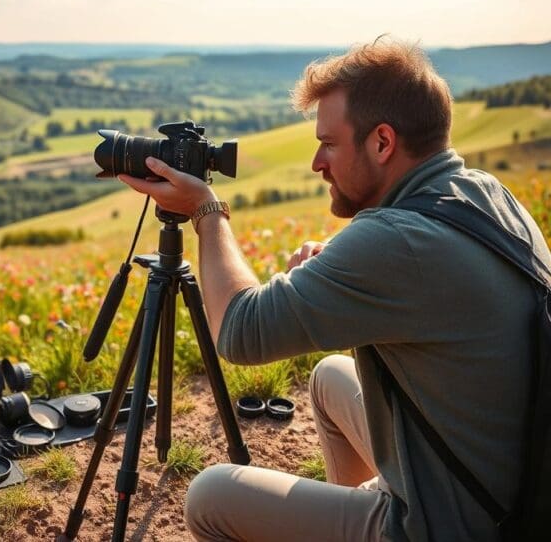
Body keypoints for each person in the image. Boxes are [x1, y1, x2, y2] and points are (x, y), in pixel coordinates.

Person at [117, 37, 551, 542]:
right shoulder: (487, 194)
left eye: (329, 143)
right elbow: (426, 290)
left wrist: (207, 212)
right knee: (329, 379)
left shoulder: (396, 243)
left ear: (382, 142)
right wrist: (346, 275)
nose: (317, 162)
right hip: (511, 487)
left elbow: (239, 331)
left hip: (450, 525)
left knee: (209, 497)